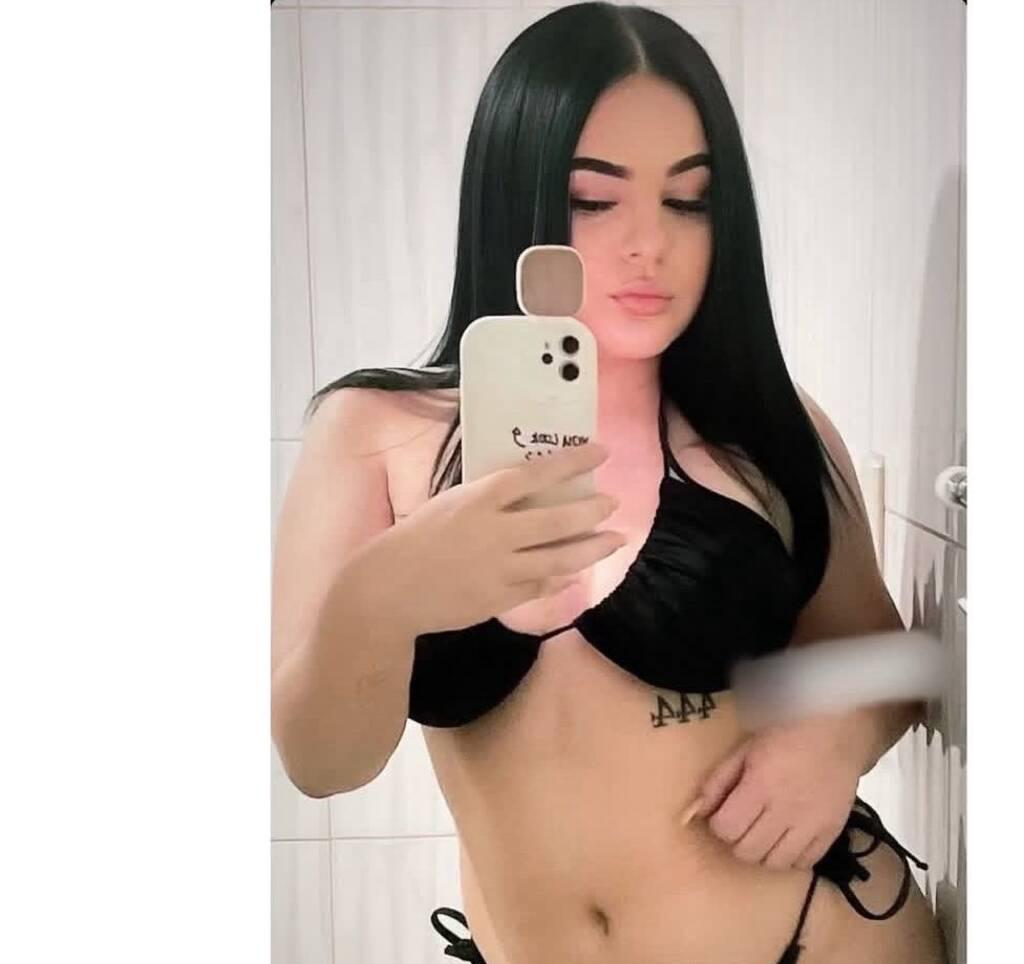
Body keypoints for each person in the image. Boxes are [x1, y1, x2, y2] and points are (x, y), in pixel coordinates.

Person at [270, 3, 947, 962]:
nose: (649, 242)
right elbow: (322, 765)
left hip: (825, 939)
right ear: (514, 201)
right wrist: (379, 599)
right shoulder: (375, 433)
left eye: (689, 199)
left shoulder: (768, 423)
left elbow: (883, 650)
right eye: (594, 199)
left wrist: (835, 741)